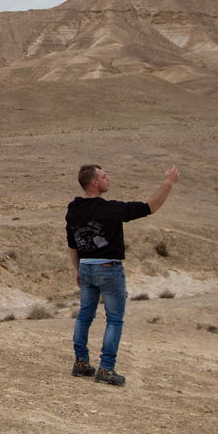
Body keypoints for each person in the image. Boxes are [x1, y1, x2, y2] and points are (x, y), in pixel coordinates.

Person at [66, 164, 180, 385]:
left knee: (84, 317)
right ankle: (106, 369)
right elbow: (149, 208)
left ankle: (81, 362)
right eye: (104, 176)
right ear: (94, 182)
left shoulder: (73, 209)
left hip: (86, 266)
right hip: (109, 268)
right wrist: (168, 183)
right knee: (114, 320)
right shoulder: (109, 209)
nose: (108, 178)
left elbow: (72, 244)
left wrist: (78, 269)